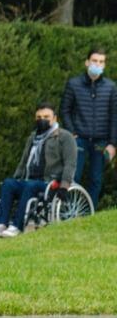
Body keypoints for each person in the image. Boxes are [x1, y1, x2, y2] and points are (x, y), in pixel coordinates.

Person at [0, 104, 77, 238]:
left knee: (31, 185)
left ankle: (17, 226)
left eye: (46, 117)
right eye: (39, 117)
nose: (42, 119)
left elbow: (70, 164)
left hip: (50, 182)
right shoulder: (33, 137)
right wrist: (16, 178)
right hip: (30, 180)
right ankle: (0, 223)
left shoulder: (65, 137)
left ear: (54, 118)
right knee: (8, 183)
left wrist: (64, 185)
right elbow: (23, 161)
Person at [60, 47, 117, 206]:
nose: (97, 65)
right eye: (94, 61)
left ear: (104, 65)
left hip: (100, 142)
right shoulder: (73, 84)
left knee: (96, 179)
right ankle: (69, 210)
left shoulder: (111, 87)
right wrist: (72, 132)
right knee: (74, 176)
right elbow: (65, 110)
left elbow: (114, 117)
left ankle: (88, 213)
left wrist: (113, 144)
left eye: (101, 62)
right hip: (79, 140)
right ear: (87, 62)